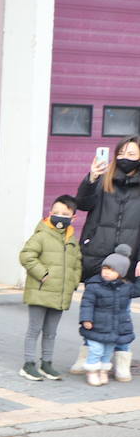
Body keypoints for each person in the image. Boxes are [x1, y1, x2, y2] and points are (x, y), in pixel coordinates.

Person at [70, 136, 140, 373]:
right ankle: (88, 355)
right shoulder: (103, 180)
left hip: (127, 258)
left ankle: (121, 359)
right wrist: (91, 177)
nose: (125, 158)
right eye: (121, 153)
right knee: (93, 308)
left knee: (121, 311)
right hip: (97, 256)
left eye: (132, 154)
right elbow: (83, 203)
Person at [17, 195, 83, 381]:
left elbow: (77, 262)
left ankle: (47, 363)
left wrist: (73, 282)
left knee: (51, 331)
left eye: (65, 214)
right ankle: (28, 364)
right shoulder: (42, 235)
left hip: (60, 294)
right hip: (40, 291)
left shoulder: (71, 239)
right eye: (56, 213)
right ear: (49, 213)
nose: (60, 216)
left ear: (73, 218)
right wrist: (43, 274)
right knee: (34, 329)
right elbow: (26, 256)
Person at [78, 244, 140, 386]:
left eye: (111, 270)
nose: (106, 272)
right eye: (105, 268)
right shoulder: (94, 285)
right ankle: (92, 370)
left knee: (107, 351)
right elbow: (87, 303)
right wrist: (86, 319)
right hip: (96, 326)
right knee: (96, 349)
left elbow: (137, 290)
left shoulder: (125, 287)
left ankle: (103, 370)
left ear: (121, 273)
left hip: (115, 327)